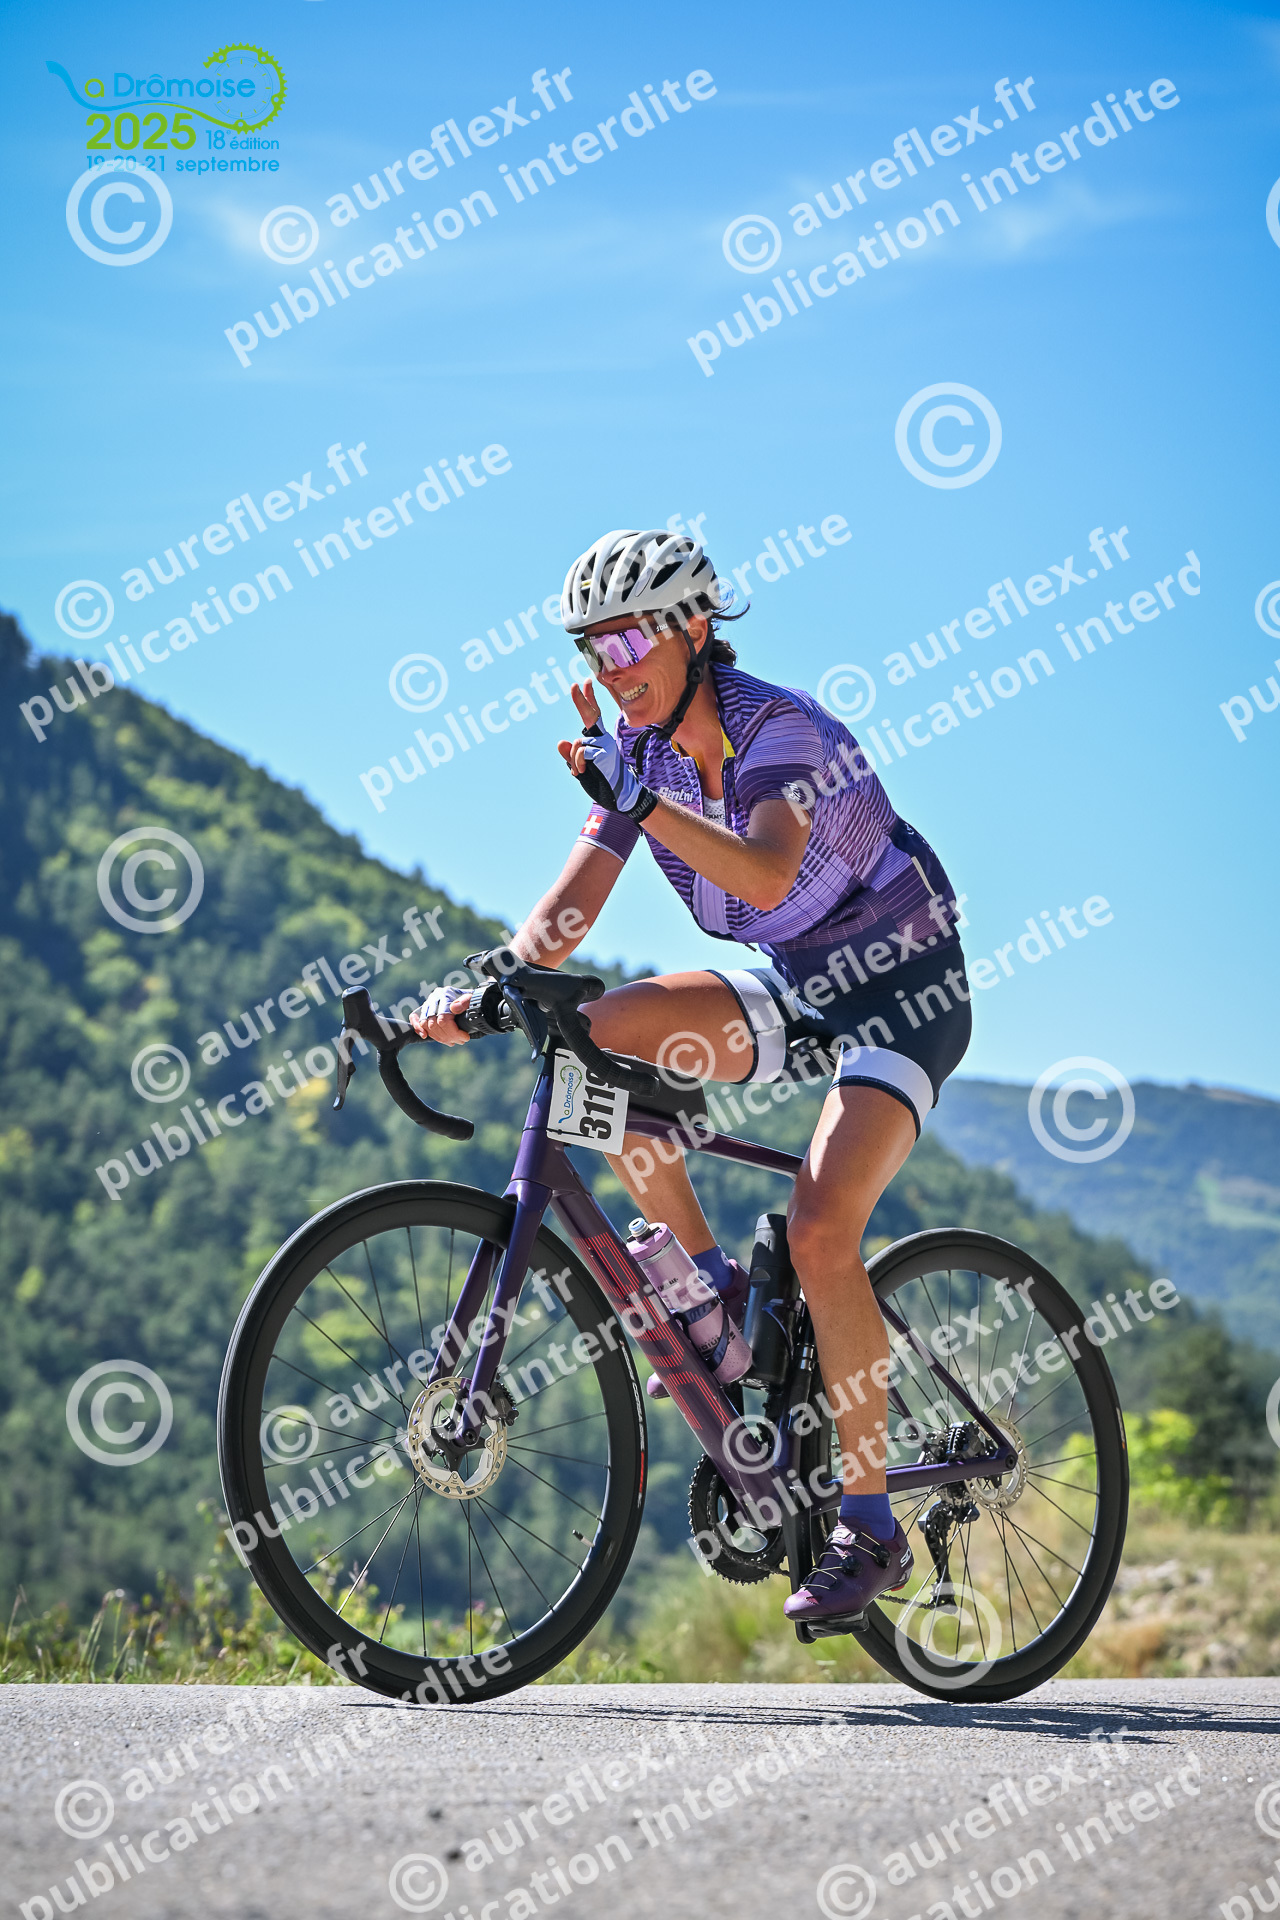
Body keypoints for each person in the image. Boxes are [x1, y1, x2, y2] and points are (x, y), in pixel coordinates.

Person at [412, 527, 971, 1623]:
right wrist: (480, 989)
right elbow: (570, 908)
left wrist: (637, 799)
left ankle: (869, 1527)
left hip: (905, 991)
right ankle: (715, 1303)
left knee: (820, 1233)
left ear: (694, 628)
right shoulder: (641, 756)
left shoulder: (782, 731)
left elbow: (763, 870)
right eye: (592, 648)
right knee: (593, 1032)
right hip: (800, 980)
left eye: (627, 639)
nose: (610, 666)